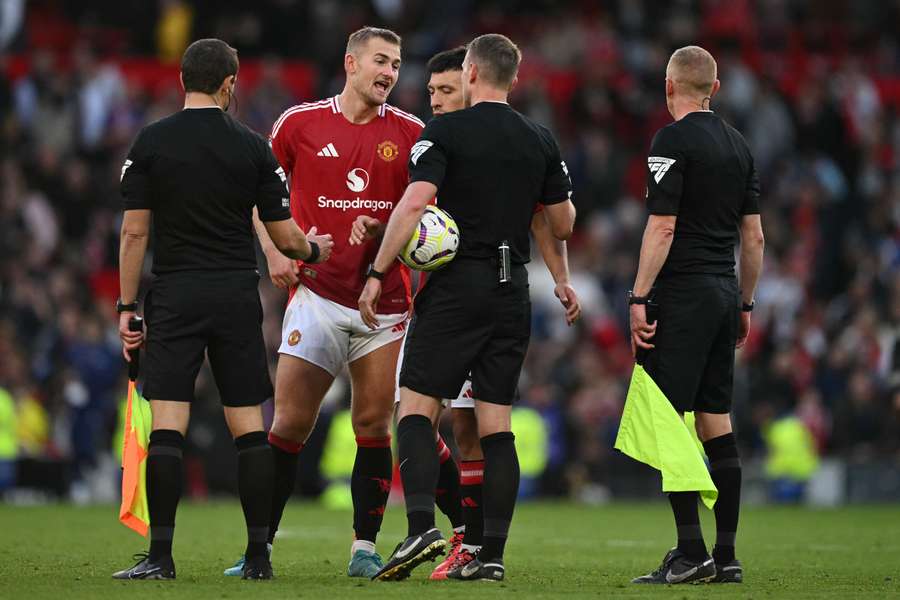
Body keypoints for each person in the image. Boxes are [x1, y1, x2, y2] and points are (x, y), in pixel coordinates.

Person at [112, 38, 333, 581]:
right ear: (229, 83)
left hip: (177, 293)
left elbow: (134, 231)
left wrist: (125, 305)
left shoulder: (151, 142)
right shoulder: (252, 147)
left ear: (184, 80)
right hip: (235, 294)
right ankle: (259, 556)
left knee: (169, 425)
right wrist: (314, 249)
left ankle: (160, 557)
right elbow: (282, 233)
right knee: (248, 428)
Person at [359, 33, 576, 582]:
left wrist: (378, 271)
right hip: (512, 289)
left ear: (472, 72)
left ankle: (420, 528)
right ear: (514, 77)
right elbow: (563, 222)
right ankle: (491, 557)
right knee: (496, 425)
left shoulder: (446, 132)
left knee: (414, 408)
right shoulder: (540, 138)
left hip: (458, 286)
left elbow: (416, 202)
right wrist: (563, 279)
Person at [230, 26, 424, 579]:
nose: (390, 72)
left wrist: (384, 227)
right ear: (351, 63)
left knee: (372, 424)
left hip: (382, 303)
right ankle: (258, 548)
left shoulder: (411, 134)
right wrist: (272, 251)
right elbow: (259, 195)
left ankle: (365, 547)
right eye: (381, 61)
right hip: (314, 294)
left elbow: (431, 217)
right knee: (289, 424)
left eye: (397, 64)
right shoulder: (298, 124)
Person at [627, 45, 764, 584]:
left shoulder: (671, 140)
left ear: (668, 88)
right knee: (715, 421)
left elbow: (662, 227)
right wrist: (745, 302)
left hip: (681, 294)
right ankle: (726, 556)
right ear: (716, 88)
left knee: (666, 421)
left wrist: (639, 296)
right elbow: (753, 237)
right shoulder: (739, 146)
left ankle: (689, 552)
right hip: (724, 292)